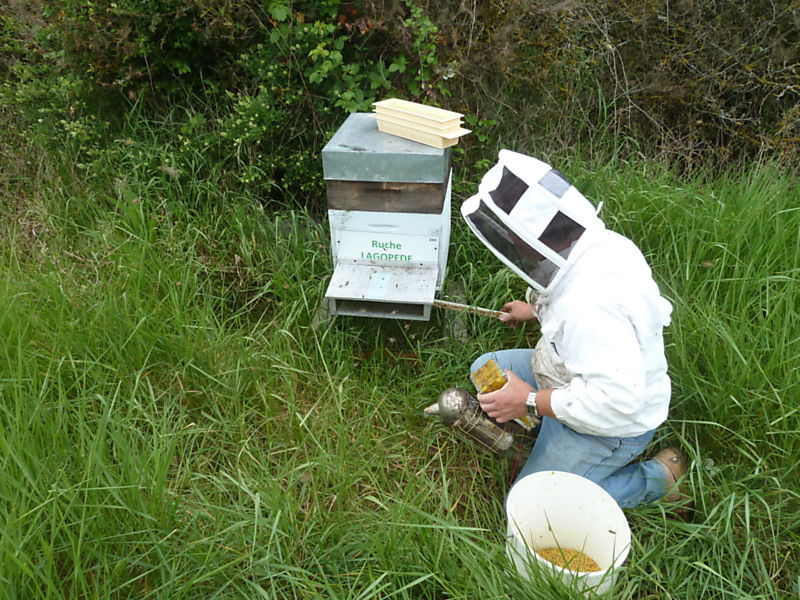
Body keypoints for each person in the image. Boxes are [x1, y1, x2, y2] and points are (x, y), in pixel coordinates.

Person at [460, 150, 688, 511]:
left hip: (609, 423)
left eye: (514, 236)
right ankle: (542, 438)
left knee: (533, 506)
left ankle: (659, 481)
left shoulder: (591, 308)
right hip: (564, 377)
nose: (513, 243)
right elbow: (564, 291)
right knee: (486, 367)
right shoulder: (597, 246)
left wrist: (529, 400)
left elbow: (614, 401)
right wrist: (533, 309)